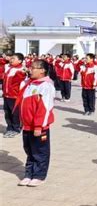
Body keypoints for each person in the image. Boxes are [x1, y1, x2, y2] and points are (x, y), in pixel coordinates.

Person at [16, 59, 55, 187]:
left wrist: (39, 126)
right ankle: (29, 174)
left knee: (40, 151)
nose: (30, 69)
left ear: (42, 70)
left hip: (39, 126)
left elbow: (45, 109)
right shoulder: (28, 83)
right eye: (30, 67)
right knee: (29, 150)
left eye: (34, 68)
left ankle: (39, 175)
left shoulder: (46, 86)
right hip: (27, 125)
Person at [3, 53, 26, 138]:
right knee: (7, 112)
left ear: (20, 61)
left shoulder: (22, 70)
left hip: (15, 96)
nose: (11, 59)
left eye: (13, 58)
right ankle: (10, 128)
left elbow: (20, 82)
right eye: (11, 58)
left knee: (15, 113)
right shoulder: (8, 67)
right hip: (7, 95)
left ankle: (16, 129)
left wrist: (23, 72)